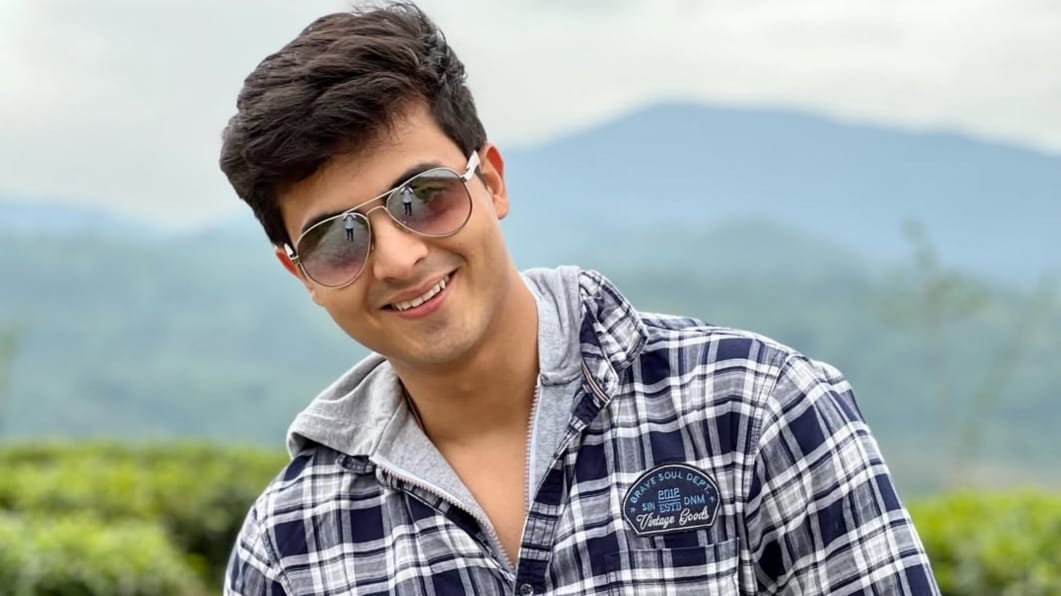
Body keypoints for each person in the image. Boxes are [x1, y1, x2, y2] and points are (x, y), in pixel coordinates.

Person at [219, 3, 940, 595]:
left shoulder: (755, 410)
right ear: (300, 273)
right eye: (337, 239)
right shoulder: (290, 546)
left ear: (491, 182)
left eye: (424, 196)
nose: (399, 258)